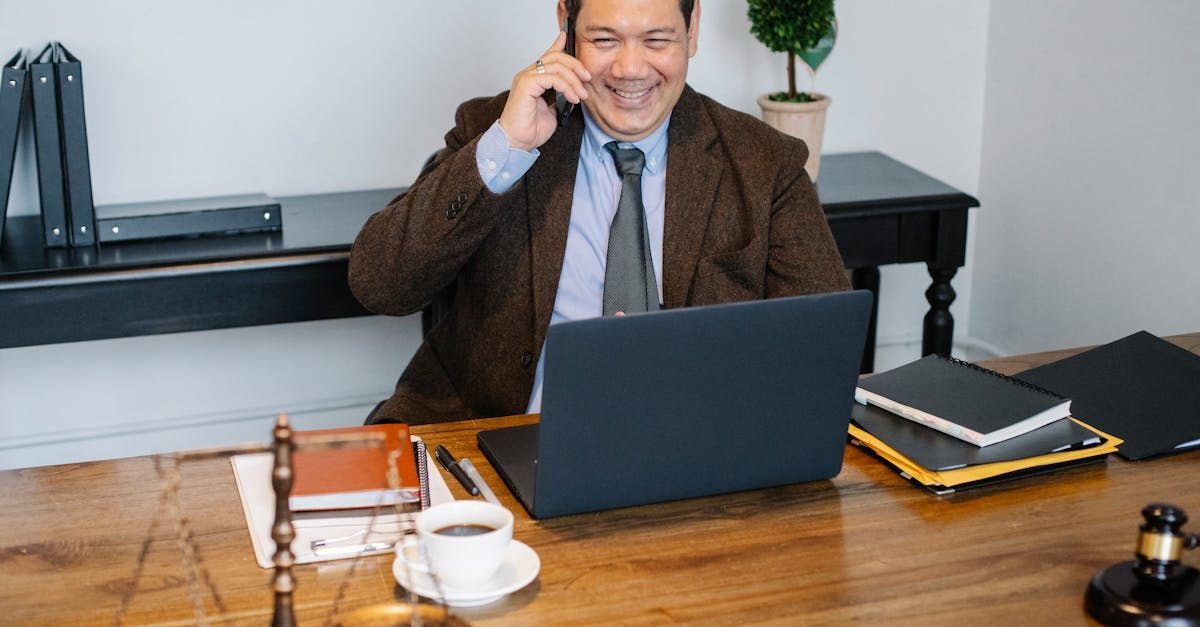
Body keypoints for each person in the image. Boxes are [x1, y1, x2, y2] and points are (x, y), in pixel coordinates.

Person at [349, 0, 849, 425]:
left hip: (690, 452)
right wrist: (508, 149)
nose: (631, 69)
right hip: (494, 442)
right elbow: (379, 284)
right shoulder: (496, 128)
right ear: (566, 25)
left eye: (657, 40)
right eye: (605, 39)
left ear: (692, 27)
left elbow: (822, 351)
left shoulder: (765, 164)